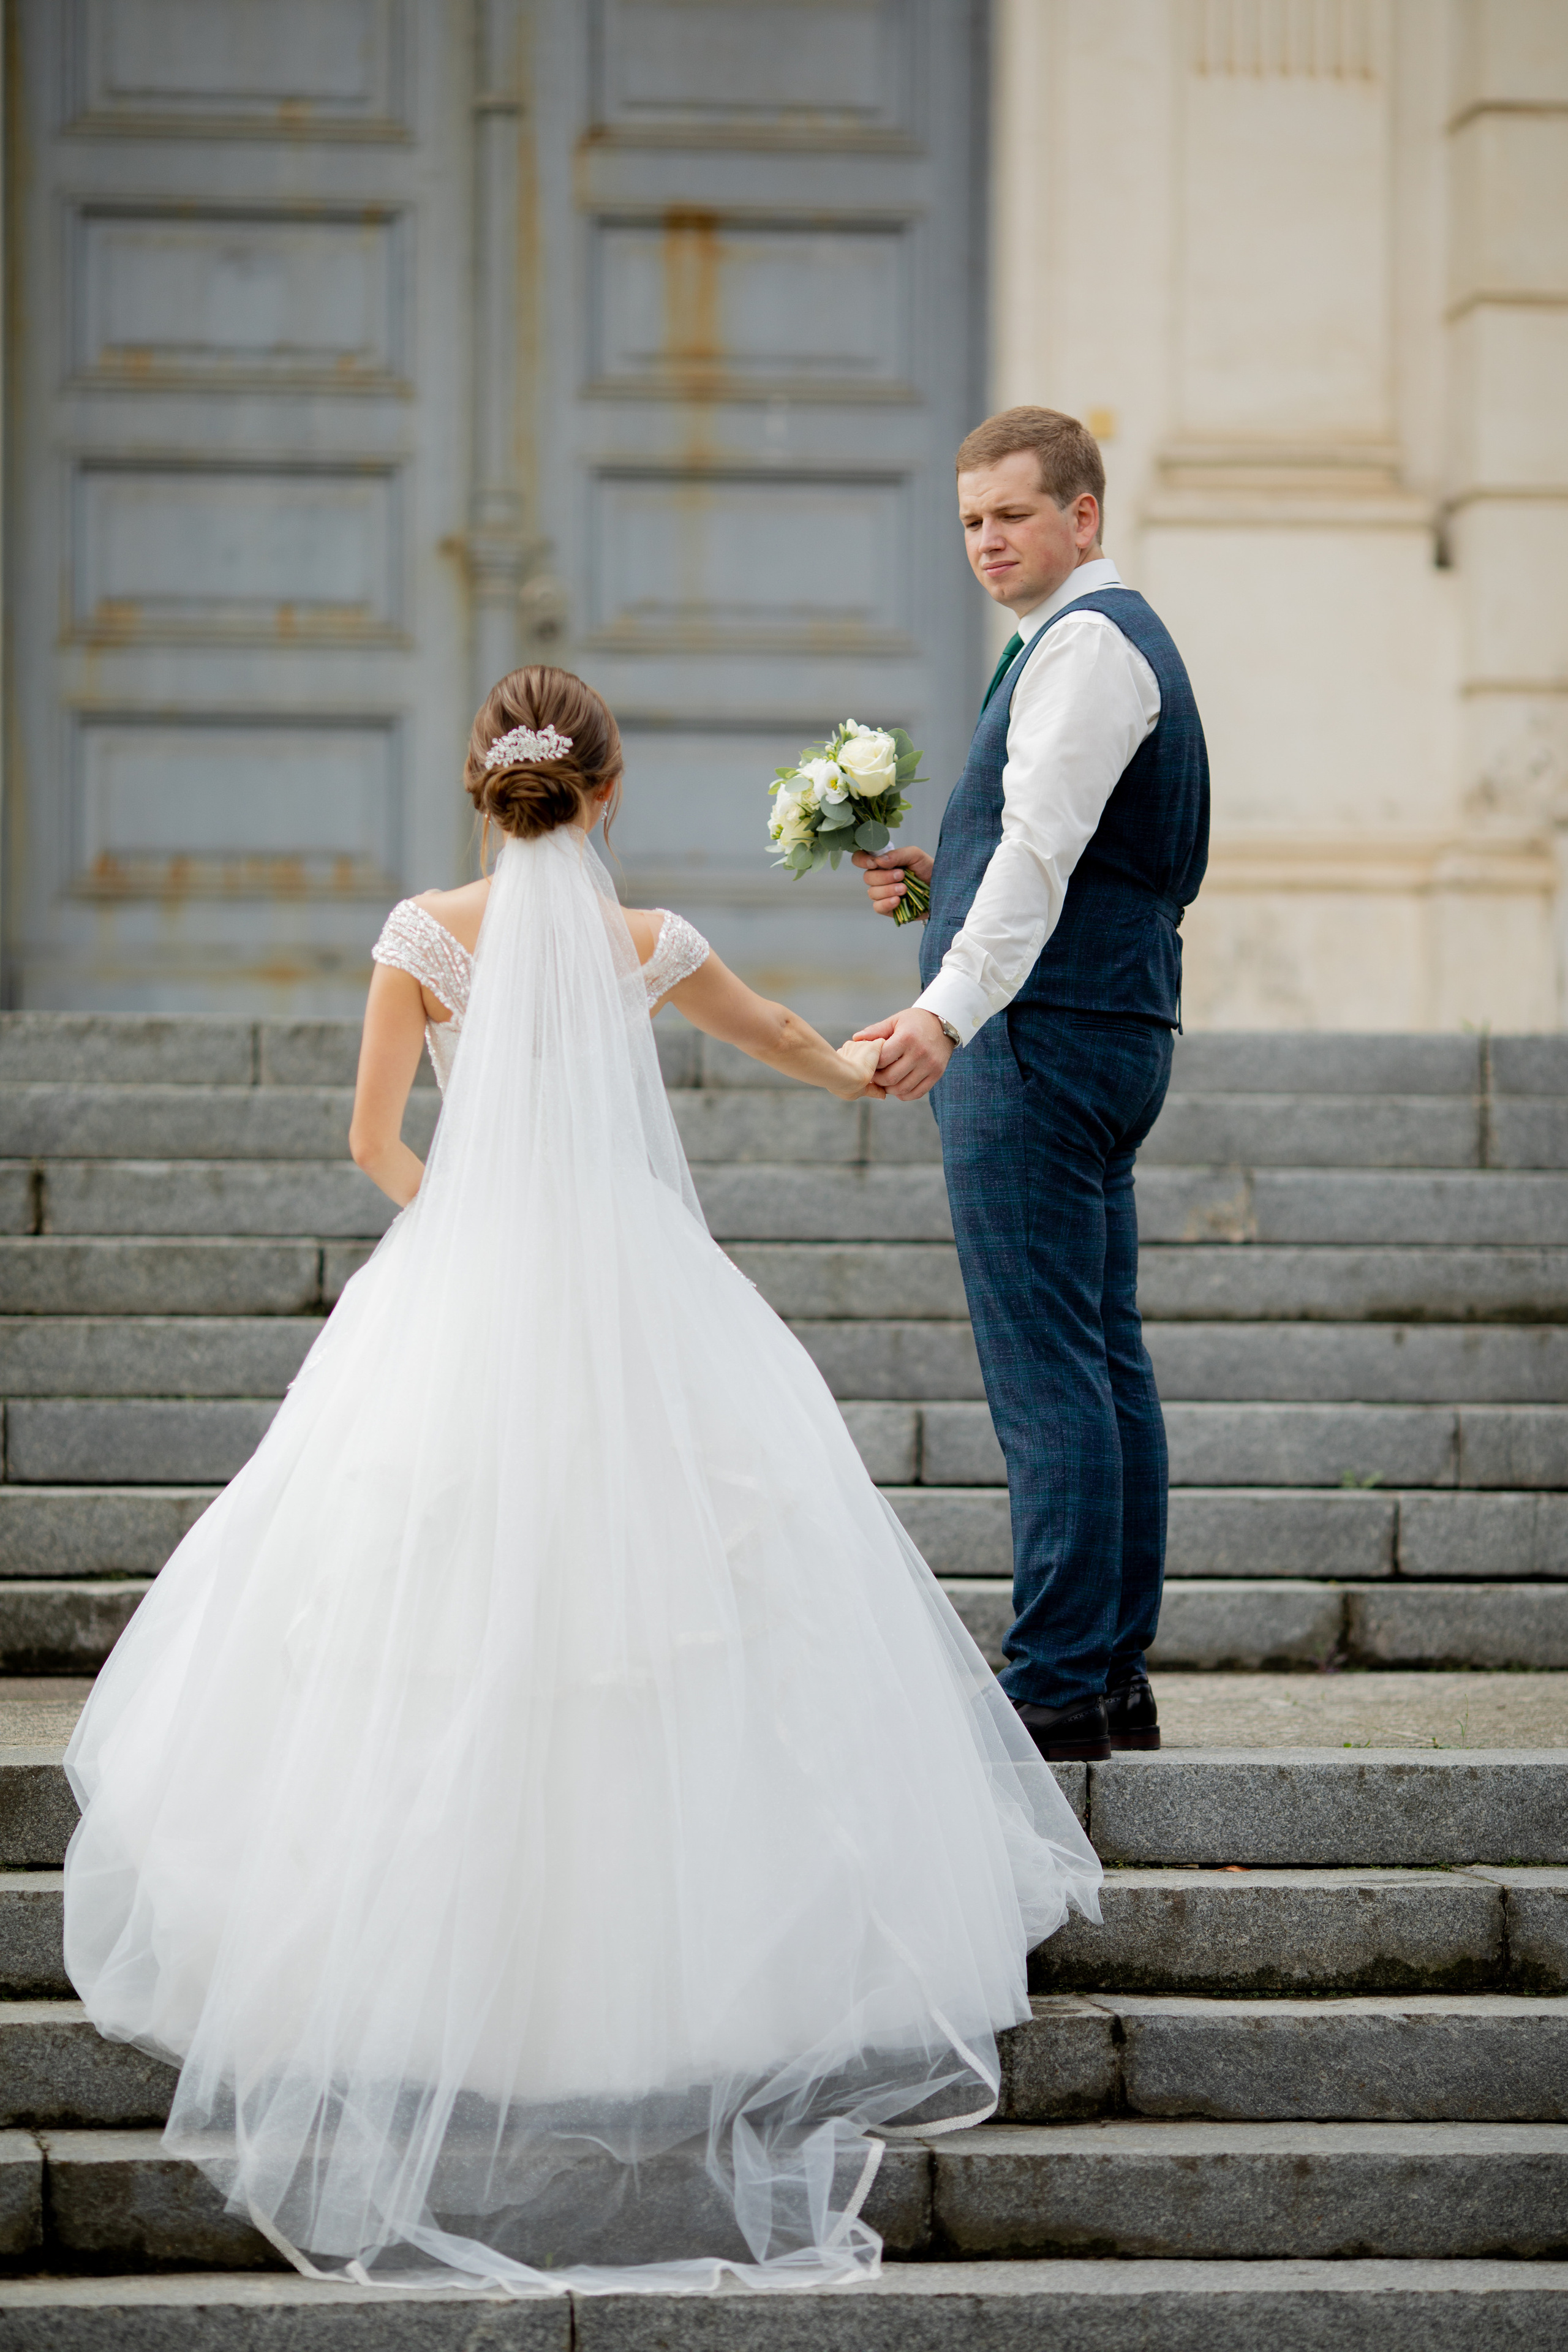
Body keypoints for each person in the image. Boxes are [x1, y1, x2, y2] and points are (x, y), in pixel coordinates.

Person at [62, 665, 1100, 2298]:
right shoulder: (646, 942)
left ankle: (423, 1981)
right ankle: (658, 1987)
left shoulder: (421, 934)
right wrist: (881, 1063)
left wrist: (457, 1221)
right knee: (674, 1600)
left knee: (420, 1597)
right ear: (603, 795)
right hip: (634, 1282)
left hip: (466, 1280)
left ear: (486, 790)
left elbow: (370, 1141)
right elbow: (783, 1045)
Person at [854, 407, 1210, 1765]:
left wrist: (943, 1013)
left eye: (1011, 513)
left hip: (1041, 1042)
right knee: (1102, 1361)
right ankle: (1108, 1679)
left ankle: (1056, 1681)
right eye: (967, 520)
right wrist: (938, 893)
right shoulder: (1092, 646)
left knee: (1049, 1371)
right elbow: (1082, 857)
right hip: (1103, 1023)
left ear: (1083, 517)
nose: (986, 540)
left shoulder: (1087, 644)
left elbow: (1046, 855)